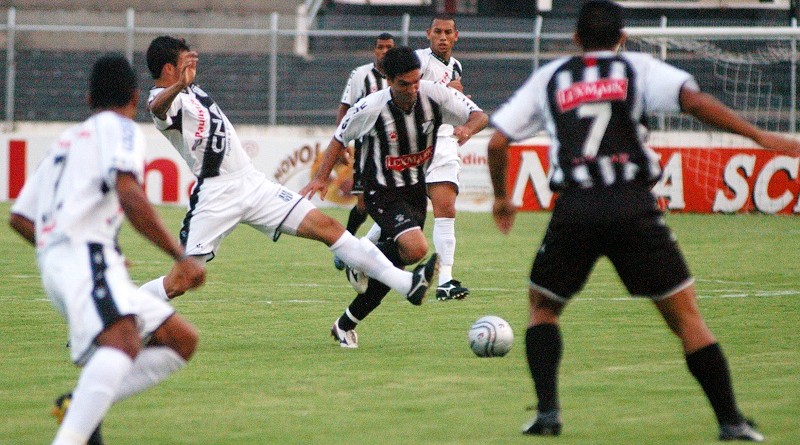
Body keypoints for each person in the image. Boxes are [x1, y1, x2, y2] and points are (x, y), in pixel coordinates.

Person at [487, 1, 800, 441]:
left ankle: (548, 413)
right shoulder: (638, 68)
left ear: (576, 39)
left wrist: (503, 198)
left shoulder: (551, 76)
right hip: (633, 206)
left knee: (543, 307)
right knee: (686, 318)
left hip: (576, 208)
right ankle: (730, 420)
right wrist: (760, 135)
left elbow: (499, 142)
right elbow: (694, 101)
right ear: (623, 38)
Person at [139, 36, 435, 309]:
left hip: (252, 183)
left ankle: (406, 283)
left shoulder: (190, 89)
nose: (192, 65)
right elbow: (157, 109)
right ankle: (121, 308)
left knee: (328, 227)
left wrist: (184, 81)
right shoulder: (167, 99)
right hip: (216, 193)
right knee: (180, 281)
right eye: (184, 62)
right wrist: (178, 85)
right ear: (169, 69)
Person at [9, 54, 206, 445]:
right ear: (134, 97)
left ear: (88, 99)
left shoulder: (67, 141)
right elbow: (129, 193)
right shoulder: (122, 129)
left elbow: (21, 217)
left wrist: (72, 245)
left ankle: (80, 405)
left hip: (74, 260)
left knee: (180, 339)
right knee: (124, 342)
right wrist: (180, 255)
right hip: (83, 259)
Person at [302, 46, 488, 348]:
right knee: (415, 249)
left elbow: (479, 115)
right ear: (389, 80)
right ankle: (361, 259)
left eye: (416, 81)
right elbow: (339, 136)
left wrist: (467, 128)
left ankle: (346, 322)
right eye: (404, 84)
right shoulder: (371, 107)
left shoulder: (435, 94)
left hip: (415, 188)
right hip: (381, 189)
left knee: (392, 270)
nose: (413, 89)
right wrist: (322, 177)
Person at [331, 32, 396, 271]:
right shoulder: (360, 75)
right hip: (367, 145)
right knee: (363, 204)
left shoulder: (401, 74)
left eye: (389, 47)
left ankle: (379, 250)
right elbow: (345, 108)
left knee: (393, 199)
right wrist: (341, 142)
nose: (385, 51)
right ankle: (345, 242)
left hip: (396, 147)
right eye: (381, 47)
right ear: (374, 50)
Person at [416, 15, 470, 301]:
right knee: (407, 213)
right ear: (428, 34)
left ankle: (446, 280)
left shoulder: (456, 66)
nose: (443, 37)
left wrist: (463, 115)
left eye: (448, 32)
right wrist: (444, 93)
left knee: (446, 208)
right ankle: (359, 251)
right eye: (437, 31)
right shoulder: (419, 61)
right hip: (415, 144)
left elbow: (454, 105)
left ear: (456, 36)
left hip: (445, 142)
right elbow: (406, 95)